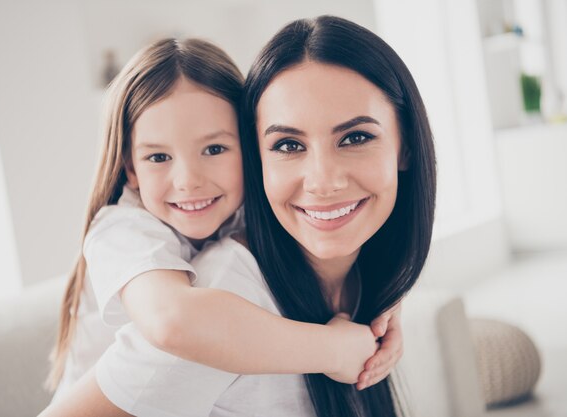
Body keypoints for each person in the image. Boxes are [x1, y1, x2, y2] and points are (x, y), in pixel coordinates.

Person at [43, 36, 403, 411]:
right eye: (159, 157)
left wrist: (389, 307)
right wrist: (333, 351)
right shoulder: (123, 231)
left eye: (214, 150)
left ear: (250, 149)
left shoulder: (245, 209)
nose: (188, 180)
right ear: (130, 170)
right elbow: (173, 322)